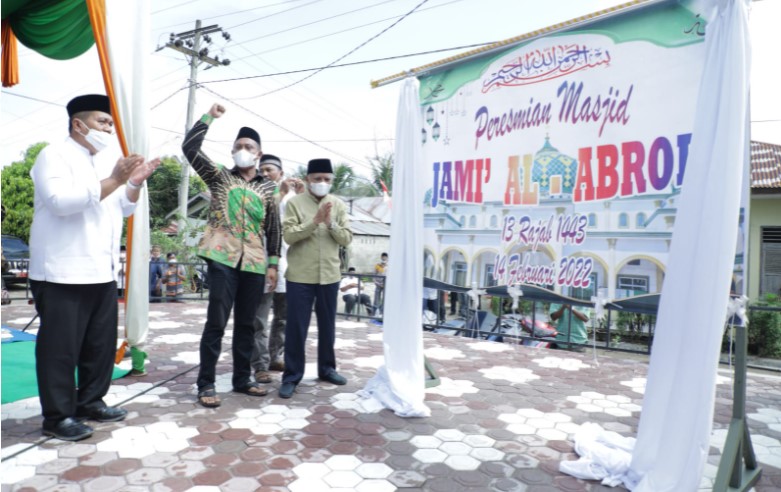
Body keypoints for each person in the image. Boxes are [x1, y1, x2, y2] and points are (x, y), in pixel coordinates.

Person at [28, 94, 159, 441]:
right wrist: (117, 179)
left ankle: (90, 402)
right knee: (60, 349)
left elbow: (124, 210)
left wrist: (133, 183)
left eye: (111, 124)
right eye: (103, 122)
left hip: (101, 270)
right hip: (61, 270)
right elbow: (60, 203)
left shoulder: (105, 163)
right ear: (78, 124)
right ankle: (57, 417)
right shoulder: (52, 155)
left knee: (99, 346)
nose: (109, 129)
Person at [182, 103, 281, 408]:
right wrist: (209, 117)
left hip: (252, 261)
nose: (243, 150)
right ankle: (206, 383)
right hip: (221, 257)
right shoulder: (219, 178)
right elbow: (189, 147)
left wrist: (273, 264)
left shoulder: (268, 189)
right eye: (238, 146)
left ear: (259, 154)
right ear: (232, 152)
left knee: (247, 324)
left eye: (249, 146)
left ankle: (242, 378)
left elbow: (274, 228)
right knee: (216, 321)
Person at [279, 158, 352, 399]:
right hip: (300, 275)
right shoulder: (295, 204)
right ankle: (291, 376)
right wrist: (315, 222)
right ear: (308, 179)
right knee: (296, 329)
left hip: (330, 275)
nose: (322, 183)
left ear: (332, 180)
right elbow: (289, 236)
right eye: (317, 178)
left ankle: (327, 369)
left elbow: (346, 239)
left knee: (328, 326)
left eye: (327, 179)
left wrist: (330, 224)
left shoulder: (339, 205)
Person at [251, 154, 301, 384]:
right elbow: (264, 215)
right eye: (262, 169)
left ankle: (276, 356)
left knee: (283, 318)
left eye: (270, 169)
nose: (265, 173)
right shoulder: (254, 196)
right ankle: (259, 365)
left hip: (288, 266)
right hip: (261, 266)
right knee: (259, 319)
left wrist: (302, 195)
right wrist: (278, 193)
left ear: (281, 173)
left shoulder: (293, 201)